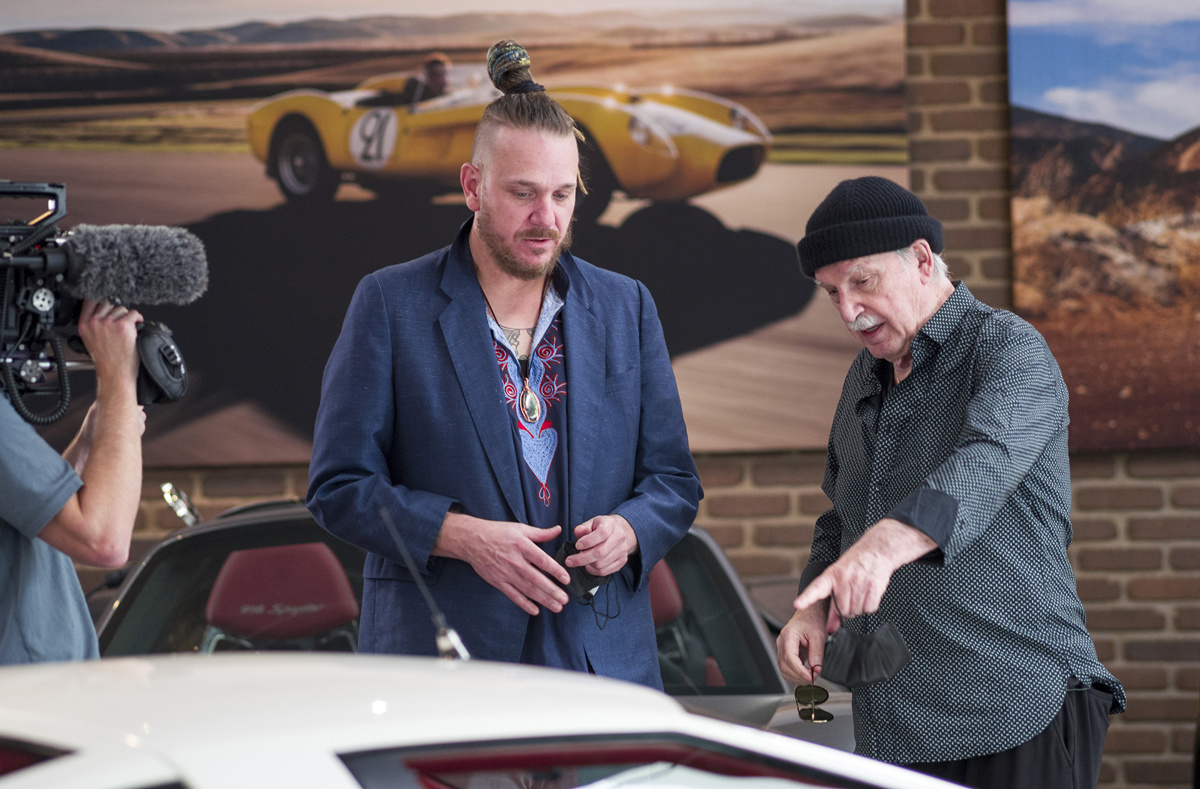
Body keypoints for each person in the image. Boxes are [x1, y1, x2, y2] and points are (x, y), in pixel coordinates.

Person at [306, 40, 700, 689]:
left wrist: (631, 529)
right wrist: (458, 536)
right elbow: (339, 487)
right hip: (442, 675)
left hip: (602, 671)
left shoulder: (628, 305)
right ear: (473, 186)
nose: (546, 220)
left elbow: (674, 482)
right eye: (523, 194)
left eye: (563, 195)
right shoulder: (387, 302)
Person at [776, 176, 1124, 788]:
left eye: (862, 282)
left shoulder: (1010, 349)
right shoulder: (864, 375)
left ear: (920, 259)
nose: (848, 311)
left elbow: (983, 465)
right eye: (832, 292)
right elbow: (842, 518)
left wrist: (883, 549)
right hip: (894, 729)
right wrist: (815, 603)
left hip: (1017, 705)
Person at [0, 299, 144, 664]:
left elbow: (37, 518)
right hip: (28, 704)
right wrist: (117, 378)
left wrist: (89, 442)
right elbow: (104, 541)